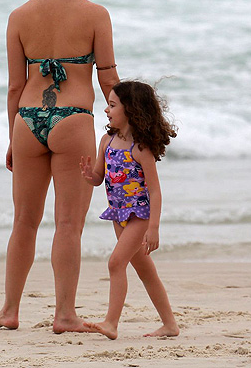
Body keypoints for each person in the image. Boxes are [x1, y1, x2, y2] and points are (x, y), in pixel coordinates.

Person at [0, 0, 119, 333]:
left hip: (27, 121)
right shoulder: (96, 14)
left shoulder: (19, 16)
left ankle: (8, 310)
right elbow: (109, 81)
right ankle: (65, 315)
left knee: (24, 220)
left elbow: (14, 87)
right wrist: (125, 128)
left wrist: (12, 137)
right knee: (69, 225)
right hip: (74, 120)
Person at [79, 80, 179, 339]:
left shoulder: (140, 149)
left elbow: (155, 191)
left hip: (139, 216)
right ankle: (170, 325)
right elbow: (100, 178)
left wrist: (154, 227)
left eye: (112, 105)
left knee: (115, 263)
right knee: (146, 272)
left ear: (131, 109)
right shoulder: (106, 141)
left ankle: (111, 323)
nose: (106, 110)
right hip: (118, 214)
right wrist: (89, 175)